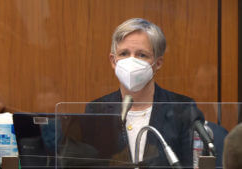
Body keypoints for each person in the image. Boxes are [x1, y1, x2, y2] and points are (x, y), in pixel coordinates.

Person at [82, 18, 204, 169]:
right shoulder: (96, 110)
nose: (131, 62)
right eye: (124, 53)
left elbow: (190, 164)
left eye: (142, 55)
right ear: (113, 61)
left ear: (157, 63)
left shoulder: (183, 109)